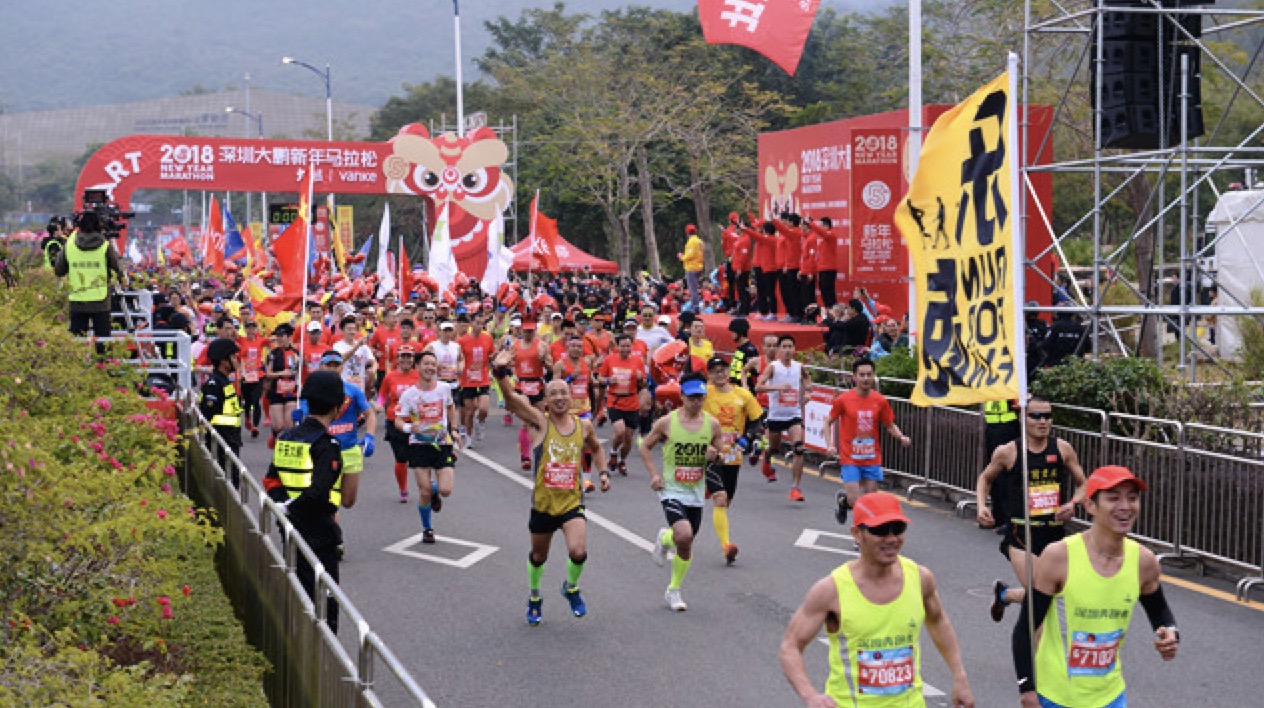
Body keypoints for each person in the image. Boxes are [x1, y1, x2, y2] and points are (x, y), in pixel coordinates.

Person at [780, 491, 975, 708]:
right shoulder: (831, 590)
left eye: (898, 529)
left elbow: (938, 621)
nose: (891, 539)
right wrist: (810, 696)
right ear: (857, 534)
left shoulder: (920, 578)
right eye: (880, 530)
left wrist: (960, 677)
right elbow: (791, 646)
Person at [1012, 466, 1178, 708]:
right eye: (1113, 498)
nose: (1125, 506)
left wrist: (1170, 634)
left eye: (1132, 498)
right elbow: (1024, 629)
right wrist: (1027, 690)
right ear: (1090, 505)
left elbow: (1160, 612)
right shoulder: (1059, 557)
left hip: (1111, 696)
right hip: (1057, 698)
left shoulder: (1144, 561)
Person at [492, 346, 610, 626]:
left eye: (563, 393)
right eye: (553, 394)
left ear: (571, 397)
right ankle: (534, 596)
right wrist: (500, 372)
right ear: (545, 400)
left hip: (571, 502)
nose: (559, 398)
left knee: (578, 552)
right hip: (544, 504)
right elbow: (511, 400)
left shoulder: (584, 426)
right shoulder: (539, 423)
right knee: (538, 556)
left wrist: (603, 472)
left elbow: (595, 448)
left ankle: (571, 587)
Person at [262, 370, 358, 634]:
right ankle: (324, 650)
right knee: (325, 600)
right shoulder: (327, 444)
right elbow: (319, 491)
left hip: (288, 525)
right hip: (318, 528)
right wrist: (294, 507)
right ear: (337, 407)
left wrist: (283, 506)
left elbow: (271, 480)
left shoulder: (286, 437)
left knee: (297, 590)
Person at [977, 396, 1086, 623]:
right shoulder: (1008, 452)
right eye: (1035, 416)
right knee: (1039, 596)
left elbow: (1083, 484)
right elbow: (985, 479)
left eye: (1047, 416)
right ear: (1023, 418)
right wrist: (981, 506)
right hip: (1021, 533)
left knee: (1051, 593)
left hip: (1054, 533)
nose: (1042, 421)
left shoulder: (1063, 448)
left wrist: (1073, 504)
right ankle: (1033, 644)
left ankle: (1005, 595)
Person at [640, 373, 722, 611]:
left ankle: (665, 540)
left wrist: (716, 456)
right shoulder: (667, 422)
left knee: (685, 543)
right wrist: (654, 475)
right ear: (682, 396)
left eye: (700, 398)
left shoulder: (712, 424)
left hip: (695, 491)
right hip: (671, 489)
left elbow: (723, 457)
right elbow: (645, 447)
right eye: (692, 397)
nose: (696, 402)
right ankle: (675, 592)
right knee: (684, 535)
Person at [826, 358, 912, 521]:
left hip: (872, 458)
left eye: (869, 375)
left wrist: (901, 436)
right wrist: (830, 445)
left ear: (873, 376)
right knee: (855, 500)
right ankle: (848, 504)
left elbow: (889, 424)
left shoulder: (880, 401)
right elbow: (827, 421)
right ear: (854, 377)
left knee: (869, 500)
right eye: (862, 375)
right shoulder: (843, 400)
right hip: (850, 458)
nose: (866, 378)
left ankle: (850, 513)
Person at [702, 356, 763, 565]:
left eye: (723, 370)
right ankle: (726, 546)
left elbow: (757, 420)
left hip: (733, 456)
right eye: (715, 371)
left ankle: (708, 492)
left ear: (729, 372)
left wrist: (748, 437)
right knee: (720, 498)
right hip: (710, 454)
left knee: (725, 502)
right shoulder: (704, 394)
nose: (720, 374)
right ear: (709, 374)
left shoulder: (742, 395)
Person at [395, 350, 460, 544]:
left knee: (446, 490)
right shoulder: (409, 394)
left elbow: (450, 407)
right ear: (417, 366)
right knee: (423, 492)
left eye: (433, 364)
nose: (430, 367)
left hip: (442, 443)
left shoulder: (444, 388)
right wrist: (409, 428)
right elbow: (398, 420)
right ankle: (427, 528)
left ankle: (435, 490)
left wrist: (454, 429)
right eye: (426, 364)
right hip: (419, 445)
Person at [54, 210, 126, 341]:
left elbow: (59, 270)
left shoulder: (69, 245)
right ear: (100, 226)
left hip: (77, 300)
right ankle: (102, 355)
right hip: (101, 301)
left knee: (77, 342)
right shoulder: (105, 246)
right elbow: (119, 270)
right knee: (103, 342)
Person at [756, 335, 812, 502]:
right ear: (779, 350)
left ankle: (795, 488)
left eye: (790, 347)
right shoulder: (773, 367)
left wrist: (808, 392)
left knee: (799, 448)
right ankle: (766, 458)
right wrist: (778, 387)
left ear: (794, 349)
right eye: (784, 347)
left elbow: (807, 378)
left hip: (794, 414)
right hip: (776, 415)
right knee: (774, 450)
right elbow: (759, 387)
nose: (787, 350)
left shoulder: (799, 366)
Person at [599, 333, 646, 476]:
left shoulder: (637, 361)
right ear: (617, 346)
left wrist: (640, 379)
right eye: (622, 346)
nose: (625, 349)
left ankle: (622, 461)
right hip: (615, 400)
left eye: (628, 346)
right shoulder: (610, 359)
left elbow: (644, 382)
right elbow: (600, 378)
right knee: (620, 432)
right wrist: (608, 381)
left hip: (632, 402)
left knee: (628, 438)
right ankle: (613, 452)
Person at [199, 338, 243, 485]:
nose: (236, 360)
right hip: (221, 442)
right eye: (233, 357)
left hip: (230, 440)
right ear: (224, 361)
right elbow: (207, 415)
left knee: (234, 480)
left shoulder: (224, 381)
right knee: (229, 482)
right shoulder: (214, 384)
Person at [380, 345, 420, 502]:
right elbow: (382, 395)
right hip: (395, 421)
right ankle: (403, 489)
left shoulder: (419, 375)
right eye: (403, 356)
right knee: (401, 458)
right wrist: (379, 405)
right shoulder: (390, 377)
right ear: (397, 358)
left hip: (416, 422)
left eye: (409, 356)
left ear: (413, 359)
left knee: (420, 457)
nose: (406, 360)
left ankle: (426, 486)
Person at [512, 320, 552, 469]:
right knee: (526, 421)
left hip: (537, 385)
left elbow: (551, 366)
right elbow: (508, 362)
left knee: (539, 421)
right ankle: (526, 456)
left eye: (531, 331)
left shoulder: (541, 346)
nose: (528, 334)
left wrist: (543, 360)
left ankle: (540, 452)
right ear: (521, 331)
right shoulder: (515, 346)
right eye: (526, 331)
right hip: (521, 385)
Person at [457, 311, 495, 448]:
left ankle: (480, 423)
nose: (479, 326)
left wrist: (495, 358)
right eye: (477, 323)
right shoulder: (462, 341)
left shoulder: (487, 339)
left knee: (484, 409)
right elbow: (458, 359)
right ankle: (468, 437)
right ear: (471, 324)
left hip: (483, 378)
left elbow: (491, 354)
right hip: (467, 380)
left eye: (482, 323)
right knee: (470, 411)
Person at [264, 323, 300, 448]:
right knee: (278, 425)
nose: (279, 339)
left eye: (281, 336)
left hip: (292, 392)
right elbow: (268, 374)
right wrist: (281, 373)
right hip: (276, 392)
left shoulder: (296, 353)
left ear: (289, 337)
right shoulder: (272, 354)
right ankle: (274, 434)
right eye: (277, 336)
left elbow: (300, 372)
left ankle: (285, 450)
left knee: (289, 426)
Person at [237, 320, 269, 439]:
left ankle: (255, 426)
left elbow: (272, 340)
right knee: (248, 401)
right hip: (246, 375)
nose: (250, 330)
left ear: (256, 329)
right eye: (248, 328)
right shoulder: (241, 340)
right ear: (245, 329)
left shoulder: (260, 340)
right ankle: (247, 417)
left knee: (256, 400)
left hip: (258, 375)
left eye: (253, 327)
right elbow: (232, 334)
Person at [726, 318, 760, 388]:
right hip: (736, 387)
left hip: (744, 388)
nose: (731, 335)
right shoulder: (740, 348)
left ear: (739, 332)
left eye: (733, 332)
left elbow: (753, 372)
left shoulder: (749, 350)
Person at [678, 224, 705, 312]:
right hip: (699, 266)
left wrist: (681, 257)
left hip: (691, 267)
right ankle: (696, 306)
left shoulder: (691, 242)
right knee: (695, 288)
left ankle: (695, 307)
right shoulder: (699, 241)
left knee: (693, 289)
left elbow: (690, 255)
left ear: (687, 232)